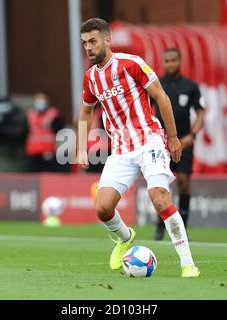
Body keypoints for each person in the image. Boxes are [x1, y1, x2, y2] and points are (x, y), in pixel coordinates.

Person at [77, 18, 200, 278]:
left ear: (107, 40)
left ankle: (188, 263)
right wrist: (80, 146)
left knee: (159, 198)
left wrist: (173, 136)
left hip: (149, 141)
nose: (88, 48)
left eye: (93, 41)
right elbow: (86, 112)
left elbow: (160, 96)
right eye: (84, 43)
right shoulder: (90, 78)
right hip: (121, 150)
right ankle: (124, 238)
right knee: (102, 207)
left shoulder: (131, 64)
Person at [154, 48, 206, 241]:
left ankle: (182, 227)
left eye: (173, 60)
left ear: (180, 61)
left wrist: (192, 135)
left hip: (184, 141)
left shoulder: (191, 87)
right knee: (161, 185)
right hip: (161, 143)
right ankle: (160, 226)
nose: (170, 64)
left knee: (184, 182)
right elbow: (147, 109)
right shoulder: (156, 84)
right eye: (166, 61)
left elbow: (200, 113)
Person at [24, 92, 65, 172]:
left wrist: (51, 126)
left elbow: (60, 128)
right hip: (33, 151)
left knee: (48, 173)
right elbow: (25, 130)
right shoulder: (30, 114)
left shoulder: (53, 113)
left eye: (42, 100)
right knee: (33, 173)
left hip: (48, 150)